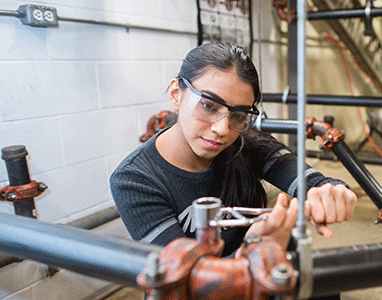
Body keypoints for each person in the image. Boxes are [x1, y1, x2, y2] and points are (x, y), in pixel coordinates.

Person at [110, 41, 357, 259]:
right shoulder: (135, 181)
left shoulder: (244, 144)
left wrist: (332, 193)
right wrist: (252, 252)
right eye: (207, 105)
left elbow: (312, 182)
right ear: (176, 94)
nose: (222, 129)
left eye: (238, 115)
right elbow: (185, 278)